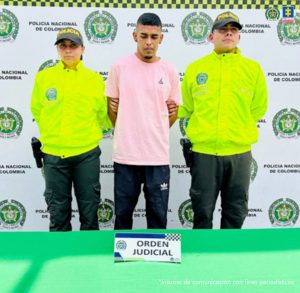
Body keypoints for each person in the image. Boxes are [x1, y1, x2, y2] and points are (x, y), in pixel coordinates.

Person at [178, 12, 268, 229]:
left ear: (239, 37)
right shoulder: (195, 68)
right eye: (222, 29)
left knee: (235, 212)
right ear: (211, 36)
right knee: (202, 211)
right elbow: (186, 107)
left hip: (239, 154)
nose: (228, 33)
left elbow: (258, 109)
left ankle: (230, 260)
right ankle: (202, 259)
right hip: (204, 153)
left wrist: (235, 130)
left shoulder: (252, 69)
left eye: (234, 30)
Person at [106, 13, 181, 230]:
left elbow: (172, 114)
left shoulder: (170, 70)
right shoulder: (119, 67)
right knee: (122, 215)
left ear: (161, 39)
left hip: (157, 157)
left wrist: (153, 128)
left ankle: (156, 261)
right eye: (144, 36)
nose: (148, 42)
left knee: (158, 216)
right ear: (134, 36)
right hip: (126, 156)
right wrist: (129, 126)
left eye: (154, 37)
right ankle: (121, 259)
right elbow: (113, 113)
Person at [30, 27, 110, 231]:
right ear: (57, 49)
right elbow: (37, 111)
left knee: (90, 213)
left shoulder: (94, 79)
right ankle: (59, 261)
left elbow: (103, 116)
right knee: (58, 215)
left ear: (82, 48)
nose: (68, 51)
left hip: (86, 155)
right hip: (54, 156)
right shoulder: (44, 78)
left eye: (73, 46)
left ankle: (88, 260)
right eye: (63, 46)